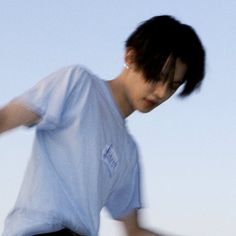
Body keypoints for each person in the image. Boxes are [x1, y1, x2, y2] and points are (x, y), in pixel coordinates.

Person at [0, 15, 205, 236]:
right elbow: (5, 118)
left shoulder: (128, 151)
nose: (162, 93)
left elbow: (133, 230)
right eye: (157, 76)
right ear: (131, 56)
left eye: (173, 86)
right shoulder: (79, 85)